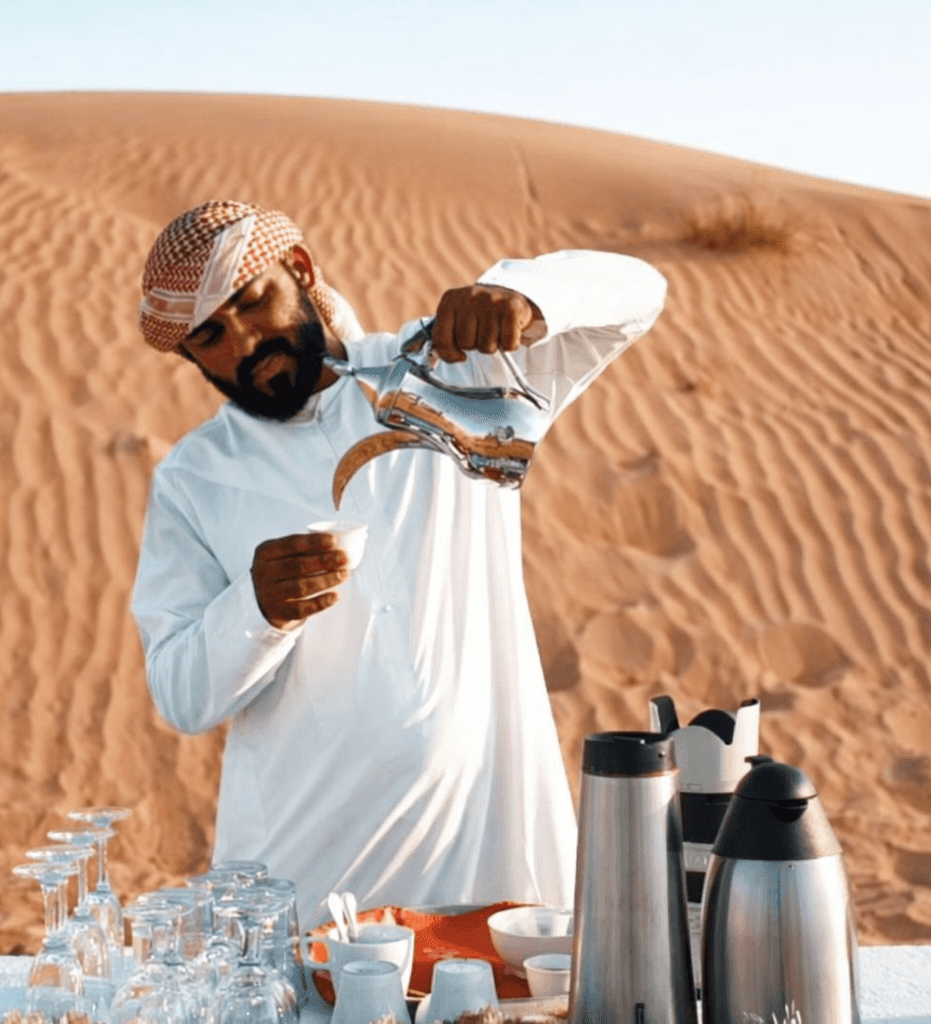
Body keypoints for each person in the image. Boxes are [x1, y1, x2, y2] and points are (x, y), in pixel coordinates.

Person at [130, 199, 667, 924]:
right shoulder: (195, 477)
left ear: (300, 269)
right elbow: (180, 693)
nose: (247, 342)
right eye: (211, 336)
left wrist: (526, 294)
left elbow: (638, 292)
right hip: (308, 874)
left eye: (253, 301)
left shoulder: (457, 372)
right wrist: (255, 610)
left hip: (487, 847)